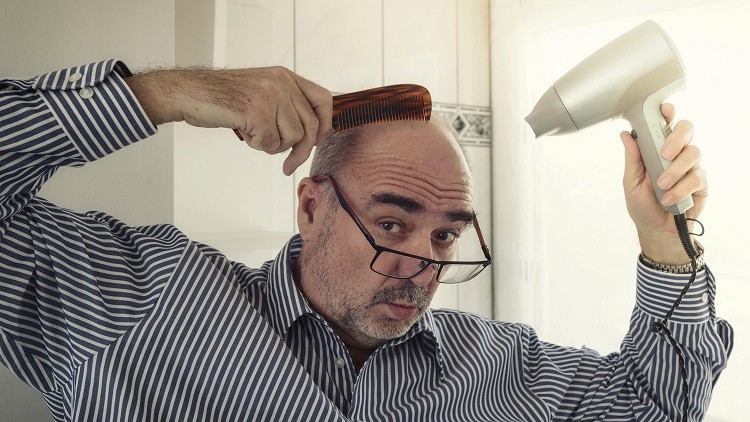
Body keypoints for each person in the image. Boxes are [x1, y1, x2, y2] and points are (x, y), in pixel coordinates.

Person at [0, 59, 732, 422]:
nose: (422, 268)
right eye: (391, 224)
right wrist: (168, 94)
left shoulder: (498, 368)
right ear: (311, 206)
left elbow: (655, 405)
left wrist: (662, 237)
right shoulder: (144, 302)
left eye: (446, 236)